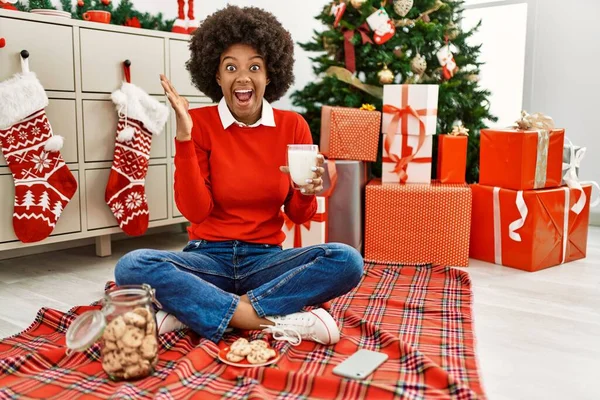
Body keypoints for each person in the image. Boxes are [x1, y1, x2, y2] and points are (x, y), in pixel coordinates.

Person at [114, 5, 364, 346]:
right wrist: (185, 139)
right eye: (231, 67)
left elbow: (298, 215)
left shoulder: (293, 126)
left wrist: (308, 190)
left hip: (265, 261)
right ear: (217, 77)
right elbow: (195, 212)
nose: (243, 77)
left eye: (255, 67)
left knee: (347, 260)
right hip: (207, 259)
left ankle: (200, 312)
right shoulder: (198, 123)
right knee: (133, 265)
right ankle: (259, 317)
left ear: (269, 75)